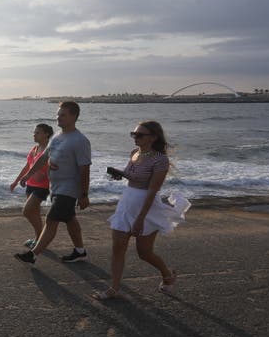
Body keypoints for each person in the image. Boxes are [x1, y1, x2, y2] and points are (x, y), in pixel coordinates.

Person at [92, 121, 190, 300]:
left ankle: (167, 274)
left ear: (153, 137)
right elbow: (133, 177)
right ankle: (114, 288)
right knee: (117, 248)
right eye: (133, 134)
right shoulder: (134, 153)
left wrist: (140, 219)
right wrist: (120, 174)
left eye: (139, 135)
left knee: (144, 253)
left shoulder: (160, 160)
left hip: (146, 207)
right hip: (127, 202)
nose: (135, 138)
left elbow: (152, 190)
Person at [14, 101, 91, 264]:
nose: (58, 117)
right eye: (58, 114)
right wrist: (28, 175)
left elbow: (85, 169)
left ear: (73, 116)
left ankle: (33, 255)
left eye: (62, 115)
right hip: (55, 187)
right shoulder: (56, 136)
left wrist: (84, 195)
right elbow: (44, 158)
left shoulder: (80, 140)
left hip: (69, 188)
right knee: (70, 219)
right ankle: (80, 251)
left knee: (51, 220)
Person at [10, 124, 54, 249]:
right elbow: (27, 166)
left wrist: (45, 174)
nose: (34, 135)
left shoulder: (50, 150)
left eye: (37, 132)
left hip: (43, 186)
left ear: (46, 134)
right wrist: (16, 181)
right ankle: (38, 239)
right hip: (30, 185)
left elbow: (55, 167)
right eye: (34, 132)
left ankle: (41, 238)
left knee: (27, 211)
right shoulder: (35, 148)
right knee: (35, 213)